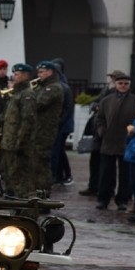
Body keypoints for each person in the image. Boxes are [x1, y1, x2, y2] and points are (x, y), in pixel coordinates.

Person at [95, 70, 135, 211]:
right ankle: (103, 198)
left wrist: (133, 132)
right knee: (106, 173)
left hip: (127, 141)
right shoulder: (107, 100)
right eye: (120, 83)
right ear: (115, 84)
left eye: (126, 83)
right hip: (108, 140)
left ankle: (122, 199)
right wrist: (102, 131)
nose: (123, 86)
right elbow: (99, 118)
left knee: (125, 173)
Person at [0, 63, 36, 197]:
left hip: (17, 144)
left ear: (26, 76)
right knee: (9, 174)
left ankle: (25, 208)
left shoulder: (27, 95)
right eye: (14, 74)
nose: (14, 77)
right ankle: (13, 201)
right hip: (9, 142)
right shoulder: (16, 94)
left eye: (17, 74)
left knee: (20, 177)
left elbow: (27, 122)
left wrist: (20, 143)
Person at [29, 60, 65, 197]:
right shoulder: (42, 86)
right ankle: (36, 193)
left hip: (45, 132)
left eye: (41, 72)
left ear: (50, 72)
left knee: (42, 165)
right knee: (35, 163)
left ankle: (43, 194)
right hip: (37, 131)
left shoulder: (53, 87)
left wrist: (26, 93)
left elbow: (38, 103)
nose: (39, 75)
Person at [50, 57, 74, 187]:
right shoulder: (62, 83)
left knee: (58, 150)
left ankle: (63, 174)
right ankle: (61, 175)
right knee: (59, 150)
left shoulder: (63, 86)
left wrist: (59, 122)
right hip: (62, 124)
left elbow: (68, 108)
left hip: (62, 125)